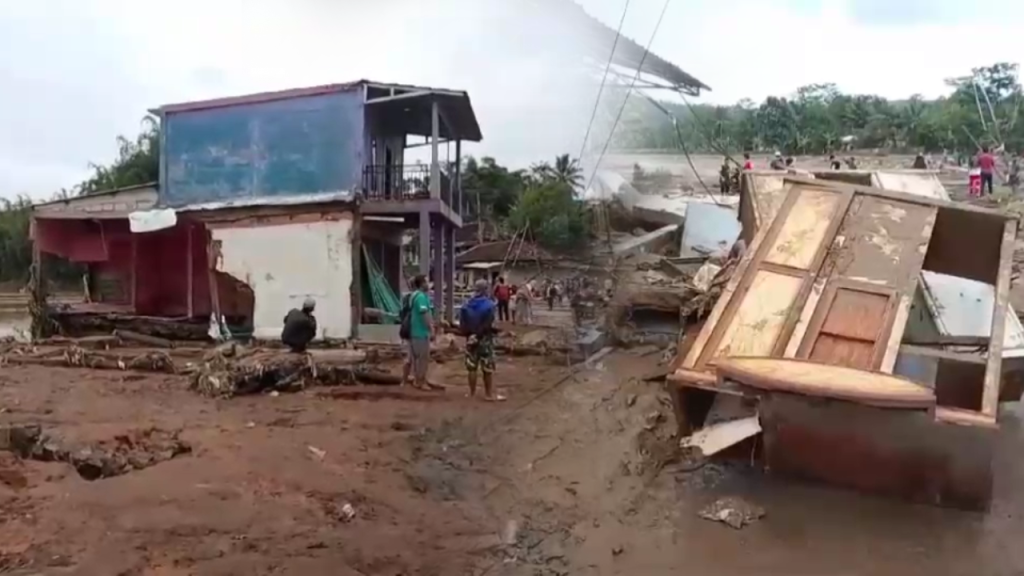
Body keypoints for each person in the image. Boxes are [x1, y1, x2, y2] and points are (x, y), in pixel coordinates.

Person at [461, 280, 504, 401]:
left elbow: (462, 325)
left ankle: (472, 393)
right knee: (487, 367)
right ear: (485, 289)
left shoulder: (466, 304)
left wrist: (470, 335)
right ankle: (488, 394)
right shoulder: (490, 305)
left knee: (471, 367)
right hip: (485, 339)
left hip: (470, 339)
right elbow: (489, 324)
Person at [400, 274, 438, 391]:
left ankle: (411, 380)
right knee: (422, 358)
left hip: (412, 330)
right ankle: (420, 381)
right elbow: (424, 314)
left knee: (413, 358)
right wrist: (431, 328)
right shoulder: (421, 297)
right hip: (420, 331)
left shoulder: (413, 296)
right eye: (427, 281)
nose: (429, 284)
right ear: (421, 284)